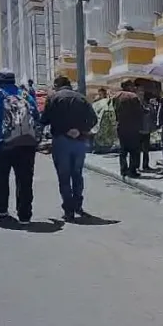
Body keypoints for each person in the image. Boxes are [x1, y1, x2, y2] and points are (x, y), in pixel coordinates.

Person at [0, 69, 41, 223]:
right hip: (26, 144)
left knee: (0, 178)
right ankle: (25, 215)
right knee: (25, 180)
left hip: (0, 146)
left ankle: (1, 210)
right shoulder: (26, 95)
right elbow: (37, 117)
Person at [41, 75, 98, 221]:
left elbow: (45, 119)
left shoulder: (53, 98)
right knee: (77, 174)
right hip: (79, 141)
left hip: (61, 140)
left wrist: (64, 129)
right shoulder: (82, 98)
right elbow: (93, 119)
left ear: (56, 85)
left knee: (64, 176)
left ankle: (69, 210)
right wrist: (80, 130)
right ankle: (78, 205)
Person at [113, 80, 144, 178]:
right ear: (128, 86)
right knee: (134, 150)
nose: (134, 88)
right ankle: (132, 171)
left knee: (123, 150)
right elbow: (139, 111)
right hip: (132, 127)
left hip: (121, 126)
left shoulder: (115, 96)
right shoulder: (133, 96)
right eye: (132, 86)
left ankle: (123, 170)